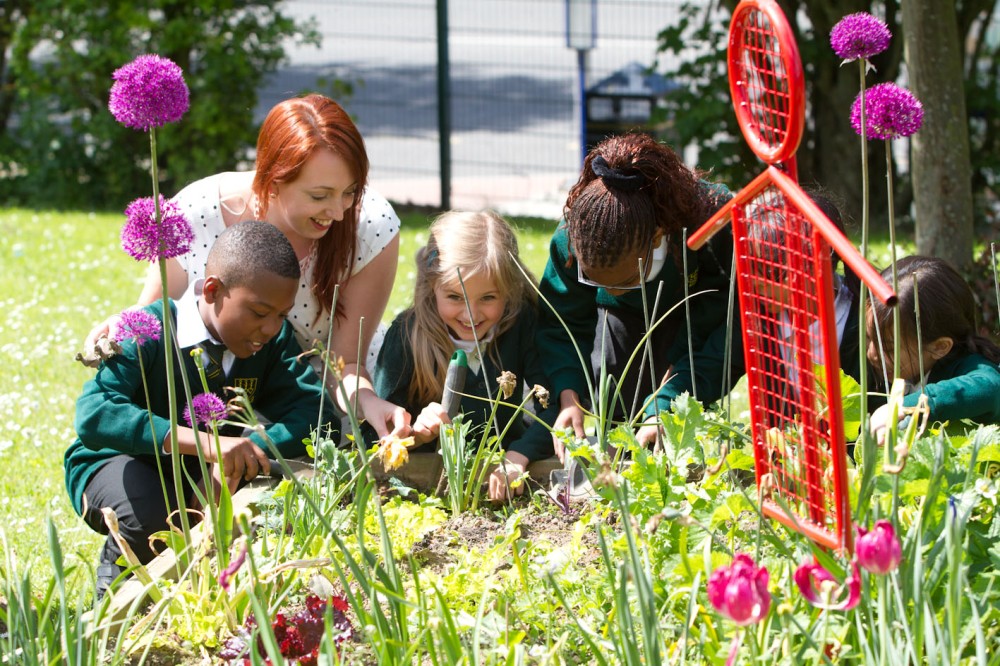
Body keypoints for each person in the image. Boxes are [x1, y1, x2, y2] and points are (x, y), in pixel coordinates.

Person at [84, 94, 408, 439]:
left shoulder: (370, 224)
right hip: (215, 397)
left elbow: (344, 364)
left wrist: (367, 399)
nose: (340, 212)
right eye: (319, 196)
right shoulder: (196, 213)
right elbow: (154, 321)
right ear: (273, 178)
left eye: (350, 191)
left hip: (317, 405)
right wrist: (120, 328)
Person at [65, 221, 332, 599]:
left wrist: (249, 451)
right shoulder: (147, 328)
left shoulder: (272, 339)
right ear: (213, 290)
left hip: (207, 472)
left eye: (281, 314)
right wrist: (207, 446)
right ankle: (114, 602)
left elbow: (314, 410)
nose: (272, 328)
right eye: (259, 312)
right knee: (153, 516)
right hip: (117, 463)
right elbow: (94, 416)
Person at [536, 133, 736, 456]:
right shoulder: (574, 239)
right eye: (594, 280)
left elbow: (726, 325)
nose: (611, 290)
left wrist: (671, 397)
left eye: (626, 280)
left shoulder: (710, 219)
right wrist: (568, 396)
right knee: (615, 395)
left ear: (658, 237)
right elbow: (560, 324)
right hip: (620, 326)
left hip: (690, 319)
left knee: (674, 432)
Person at [373, 210, 558, 500]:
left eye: (488, 298)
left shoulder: (524, 324)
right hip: (427, 488)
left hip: (506, 476)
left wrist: (519, 454)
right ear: (430, 285)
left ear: (509, 290)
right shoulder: (406, 334)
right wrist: (417, 434)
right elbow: (379, 435)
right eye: (454, 297)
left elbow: (554, 411)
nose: (470, 315)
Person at [867, 255, 1000, 443]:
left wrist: (902, 406)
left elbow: (991, 388)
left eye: (888, 347)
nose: (873, 353)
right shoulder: (898, 367)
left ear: (940, 347)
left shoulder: (969, 366)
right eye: (869, 338)